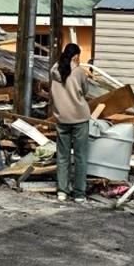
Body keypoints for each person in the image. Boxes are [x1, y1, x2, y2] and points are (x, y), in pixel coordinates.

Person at [49, 43, 91, 202]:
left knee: (62, 156)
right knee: (80, 156)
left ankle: (62, 191)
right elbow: (85, 91)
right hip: (79, 117)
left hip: (62, 117)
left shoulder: (54, 71)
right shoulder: (79, 72)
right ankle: (79, 193)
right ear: (76, 56)